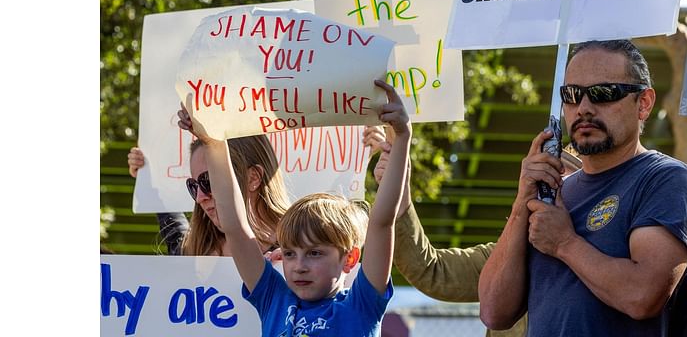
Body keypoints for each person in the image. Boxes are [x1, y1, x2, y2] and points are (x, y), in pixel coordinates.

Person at [478, 39, 687, 336]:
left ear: (643, 103)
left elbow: (642, 296)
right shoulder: (552, 192)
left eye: (603, 93)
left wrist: (565, 244)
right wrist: (522, 202)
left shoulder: (667, 180)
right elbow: (494, 312)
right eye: (572, 95)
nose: (583, 108)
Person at [179, 79, 411, 336]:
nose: (299, 265)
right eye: (289, 254)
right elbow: (236, 226)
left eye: (314, 253)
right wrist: (213, 142)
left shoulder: (361, 305)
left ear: (350, 258)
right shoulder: (274, 298)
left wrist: (402, 137)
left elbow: (381, 222)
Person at [367, 129, 581, 337]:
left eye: (565, 185)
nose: (551, 193)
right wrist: (398, 188)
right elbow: (431, 272)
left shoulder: (603, 256)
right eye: (545, 184)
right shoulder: (505, 257)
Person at [126, 135, 291, 256]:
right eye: (193, 186)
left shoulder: (300, 247)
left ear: (253, 177)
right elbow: (173, 228)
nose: (200, 197)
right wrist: (148, 174)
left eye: (209, 181)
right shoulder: (192, 252)